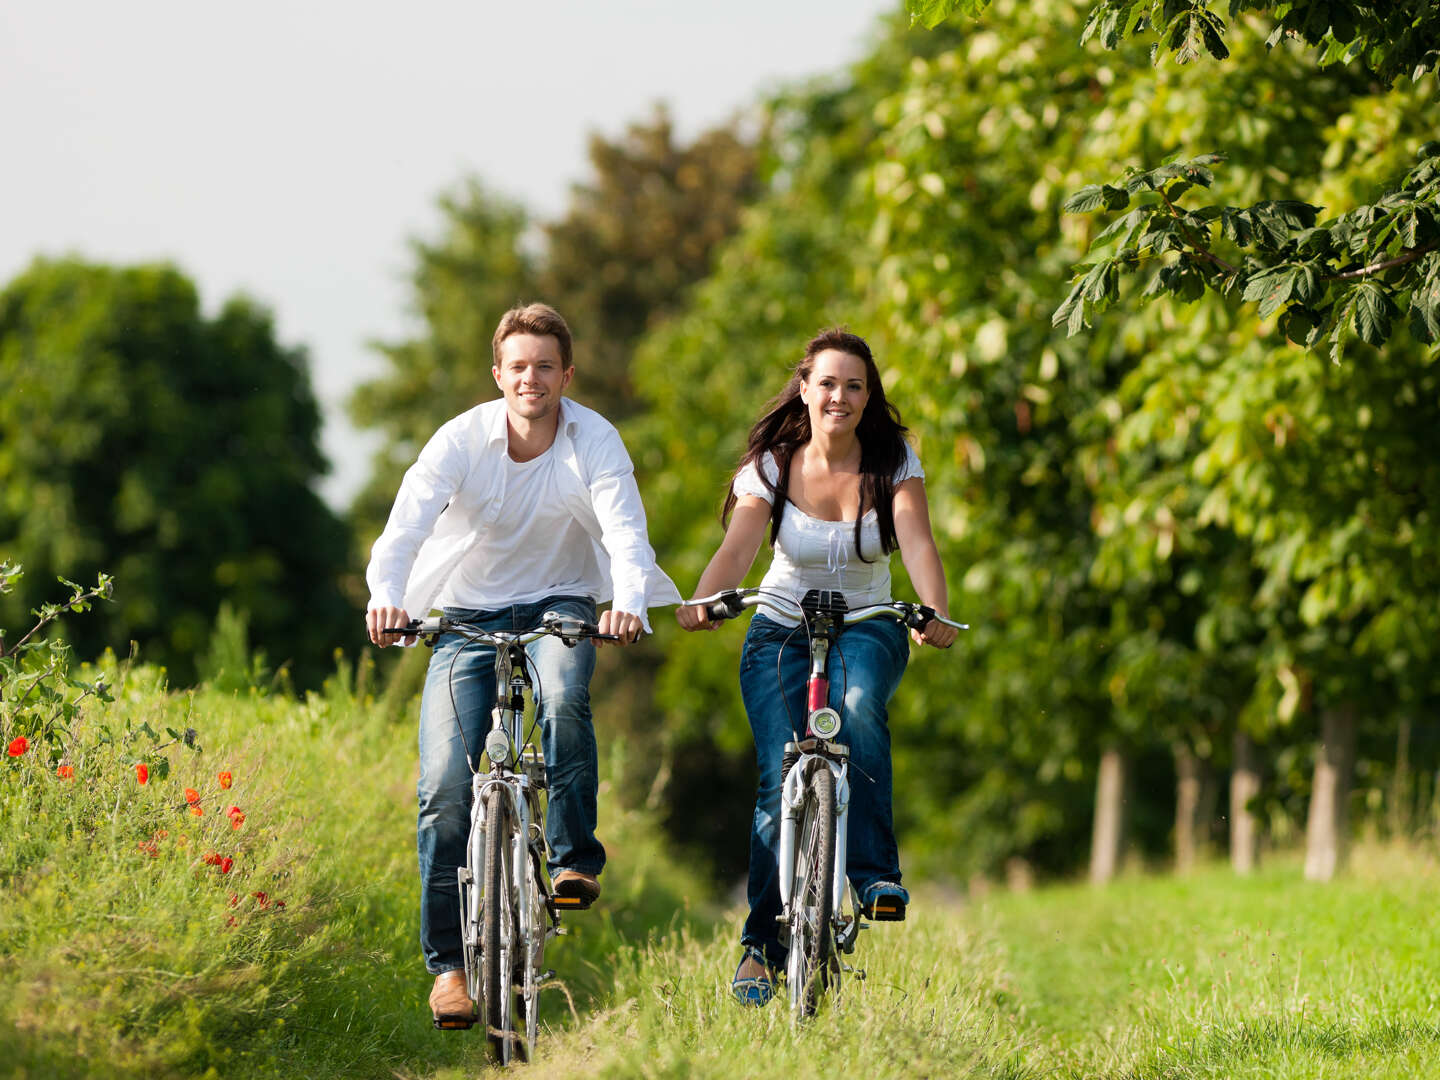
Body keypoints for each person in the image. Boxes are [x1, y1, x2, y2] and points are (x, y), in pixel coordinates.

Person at [365, 302, 680, 1029]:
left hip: (560, 606)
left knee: (567, 693)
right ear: (497, 375)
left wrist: (627, 603)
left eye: (545, 366)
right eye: (517, 367)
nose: (530, 379)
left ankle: (573, 862)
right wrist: (386, 599)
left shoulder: (593, 439)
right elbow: (406, 525)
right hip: (465, 616)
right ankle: (448, 969)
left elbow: (626, 530)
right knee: (444, 785)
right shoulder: (461, 440)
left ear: (566, 375)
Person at [676, 327, 958, 1006]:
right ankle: (759, 948)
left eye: (854, 385)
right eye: (827, 383)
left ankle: (872, 876)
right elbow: (740, 546)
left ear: (868, 396)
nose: (840, 396)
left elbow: (916, 541)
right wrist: (705, 599)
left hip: (866, 625)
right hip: (779, 627)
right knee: (781, 774)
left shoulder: (894, 460)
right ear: (804, 389)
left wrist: (934, 610)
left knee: (858, 711)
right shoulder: (773, 464)